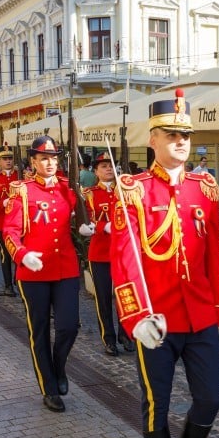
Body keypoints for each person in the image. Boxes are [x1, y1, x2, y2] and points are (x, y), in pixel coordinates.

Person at [111, 89, 219, 438]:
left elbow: (213, 253)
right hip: (155, 319)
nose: (181, 141)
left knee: (211, 398)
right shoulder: (134, 191)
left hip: (199, 315)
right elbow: (125, 258)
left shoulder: (206, 189)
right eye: (171, 134)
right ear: (153, 139)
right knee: (156, 405)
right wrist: (134, 316)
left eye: (186, 135)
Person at [2, 135, 80, 414]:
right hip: (33, 272)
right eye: (44, 158)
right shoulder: (21, 191)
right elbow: (9, 231)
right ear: (33, 161)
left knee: (69, 325)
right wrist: (22, 255)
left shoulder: (68, 189)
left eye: (54, 158)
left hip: (66, 267)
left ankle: (58, 367)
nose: (50, 163)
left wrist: (86, 225)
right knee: (39, 331)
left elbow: (84, 214)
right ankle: (48, 387)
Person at [79, 151, 133, 356]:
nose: (108, 169)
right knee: (103, 298)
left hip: (122, 251)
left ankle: (125, 334)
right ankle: (108, 338)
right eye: (103, 166)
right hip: (100, 252)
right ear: (95, 171)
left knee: (124, 296)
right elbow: (87, 219)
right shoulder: (90, 194)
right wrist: (103, 227)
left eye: (111, 165)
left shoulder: (125, 191)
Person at [0, 144, 20, 296]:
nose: (8, 161)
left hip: (19, 223)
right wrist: (3, 203)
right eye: (4, 159)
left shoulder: (20, 176)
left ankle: (18, 281)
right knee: (5, 255)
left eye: (10, 158)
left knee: (19, 254)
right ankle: (8, 286)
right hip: (3, 223)